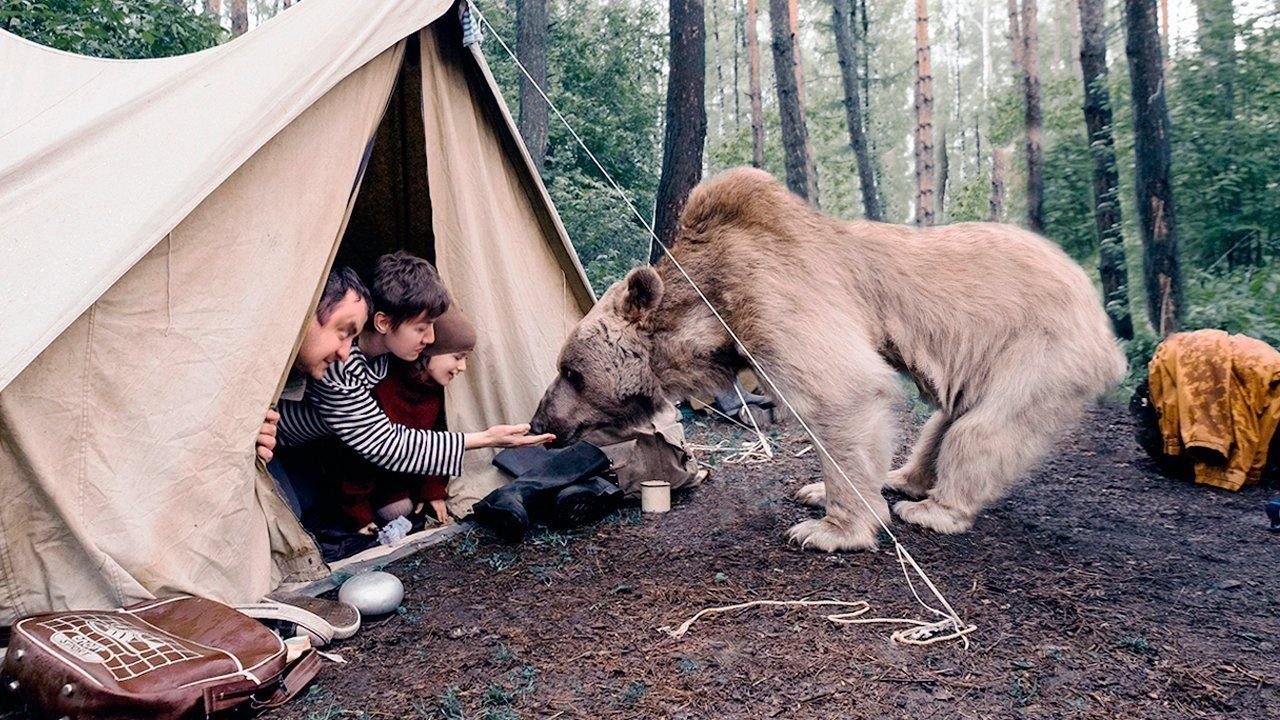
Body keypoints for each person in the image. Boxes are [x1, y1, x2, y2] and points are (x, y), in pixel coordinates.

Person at [272, 251, 551, 526]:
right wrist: (486, 438)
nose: (430, 338)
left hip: (319, 443)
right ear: (382, 323)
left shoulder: (387, 354)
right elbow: (384, 442)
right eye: (421, 328)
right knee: (294, 515)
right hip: (281, 444)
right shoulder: (339, 365)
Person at [331, 305, 477, 530]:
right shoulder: (386, 385)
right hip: (366, 479)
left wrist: (432, 491)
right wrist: (359, 514)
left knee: (406, 509)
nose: (463, 367)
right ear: (431, 351)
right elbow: (356, 457)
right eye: (458, 357)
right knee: (397, 509)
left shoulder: (434, 391)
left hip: (404, 475)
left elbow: (435, 438)